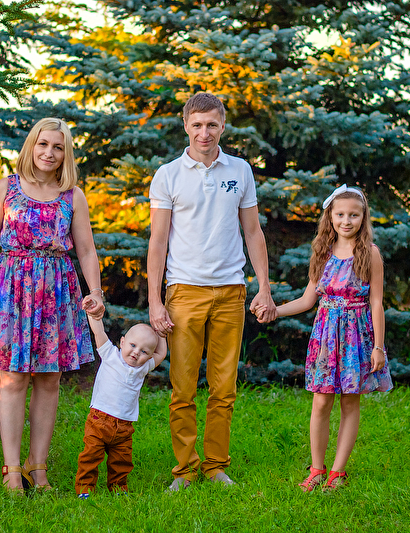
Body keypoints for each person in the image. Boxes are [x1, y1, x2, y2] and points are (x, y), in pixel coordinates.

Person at [147, 92, 277, 491]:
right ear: (186, 126)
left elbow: (252, 232)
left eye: (212, 125)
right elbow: (158, 241)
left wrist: (264, 288)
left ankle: (216, 466)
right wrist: (155, 301)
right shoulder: (168, 175)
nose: (205, 133)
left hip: (231, 292)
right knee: (183, 389)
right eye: (197, 125)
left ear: (223, 126)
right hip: (184, 291)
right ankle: (185, 470)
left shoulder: (240, 170)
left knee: (224, 388)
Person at [0, 117, 105, 491]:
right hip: (11, 289)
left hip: (57, 291)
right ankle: (12, 469)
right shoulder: (6, 187)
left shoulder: (72, 195)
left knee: (49, 379)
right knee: (12, 377)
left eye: (58, 147)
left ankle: (38, 467)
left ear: (66, 153)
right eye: (43, 144)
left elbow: (86, 250)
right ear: (32, 146)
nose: (49, 152)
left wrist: (96, 292)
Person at [254, 184, 393, 492]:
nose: (346, 221)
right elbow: (308, 300)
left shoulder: (370, 254)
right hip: (326, 338)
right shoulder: (322, 253)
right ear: (330, 217)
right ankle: (317, 469)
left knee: (350, 402)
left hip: (357, 337)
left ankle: (337, 472)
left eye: (354, 215)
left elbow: (376, 303)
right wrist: (275, 311)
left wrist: (378, 347)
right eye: (340, 214)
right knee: (320, 403)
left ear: (363, 217)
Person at [74, 314, 168, 498]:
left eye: (144, 351)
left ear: (149, 356)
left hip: (124, 426)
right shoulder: (110, 355)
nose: (136, 352)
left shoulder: (142, 368)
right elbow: (98, 332)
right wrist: (93, 313)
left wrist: (161, 334)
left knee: (122, 460)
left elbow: (161, 354)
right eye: (133, 345)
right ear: (122, 342)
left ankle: (118, 488)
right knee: (91, 456)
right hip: (99, 421)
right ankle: (85, 488)